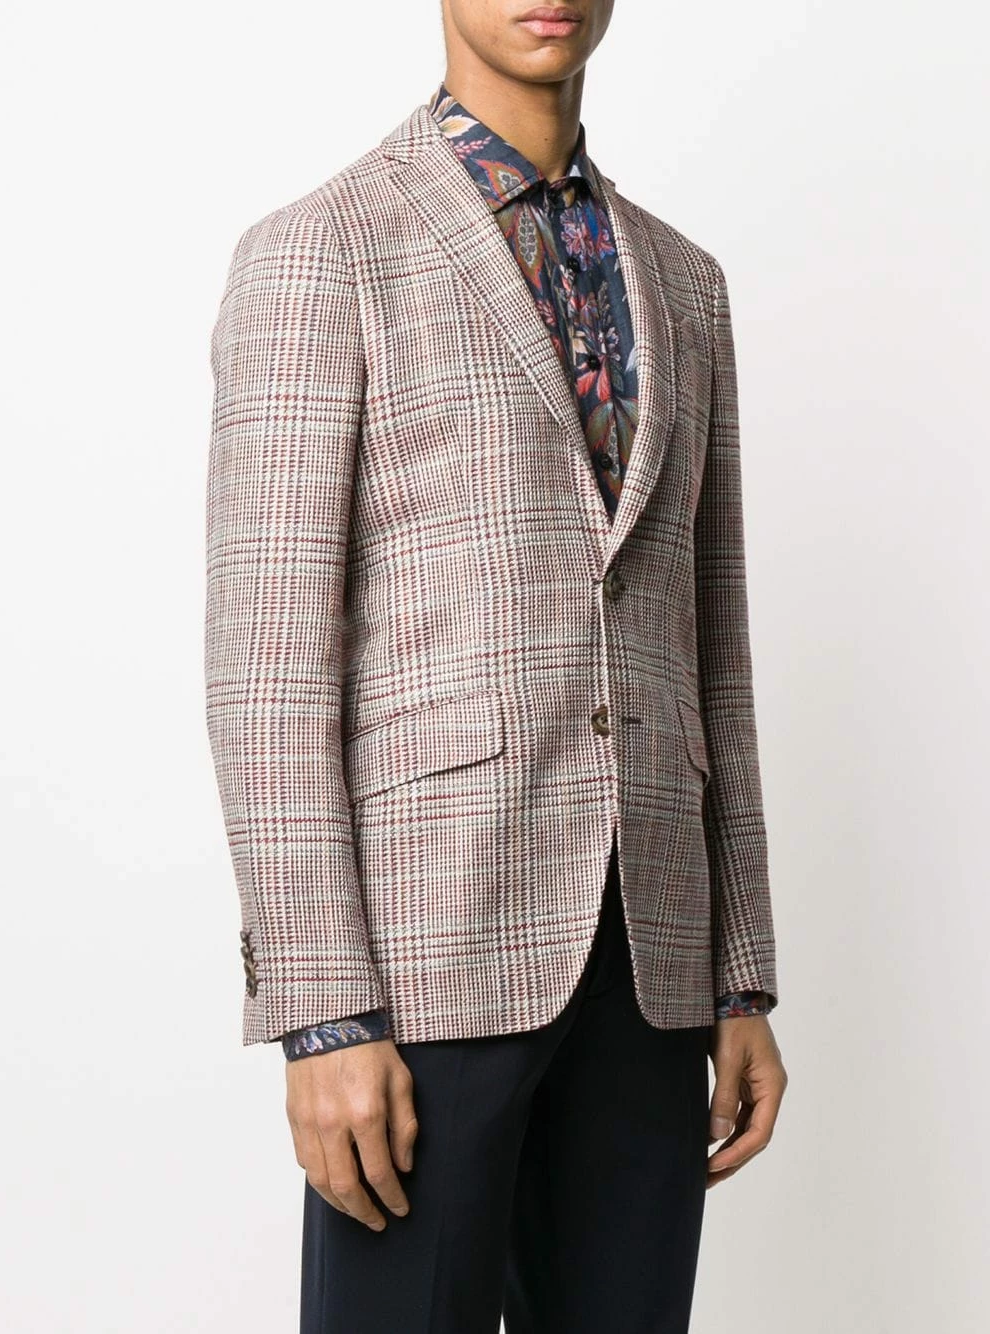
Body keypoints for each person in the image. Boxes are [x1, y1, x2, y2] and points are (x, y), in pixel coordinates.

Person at [204, 1, 788, 1329]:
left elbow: (716, 648)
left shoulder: (683, 282)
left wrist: (740, 970)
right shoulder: (321, 250)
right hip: (426, 962)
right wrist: (321, 1013)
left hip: (651, 964)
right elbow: (268, 666)